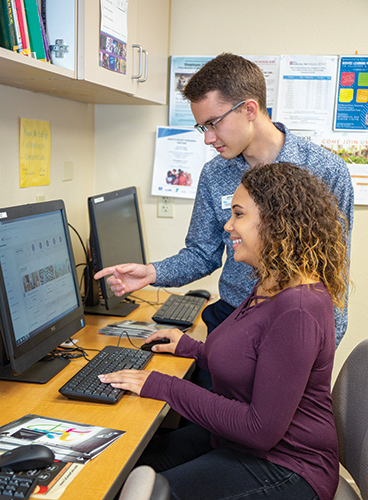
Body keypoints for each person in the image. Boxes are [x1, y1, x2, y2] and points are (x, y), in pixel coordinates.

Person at [99, 162, 349, 500]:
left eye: (239, 215)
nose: (228, 226)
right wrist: (191, 348)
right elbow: (254, 356)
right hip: (242, 443)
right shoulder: (272, 281)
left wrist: (163, 386)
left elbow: (260, 430)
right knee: (119, 464)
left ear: (277, 223)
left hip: (288, 465)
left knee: (147, 492)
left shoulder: (298, 309)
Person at [94, 53, 353, 347]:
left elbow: (334, 270)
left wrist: (325, 343)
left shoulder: (325, 170)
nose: (208, 138)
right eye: (203, 127)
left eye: (213, 123)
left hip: (295, 330)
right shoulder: (215, 173)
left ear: (249, 109)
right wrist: (151, 273)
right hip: (232, 318)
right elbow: (202, 254)